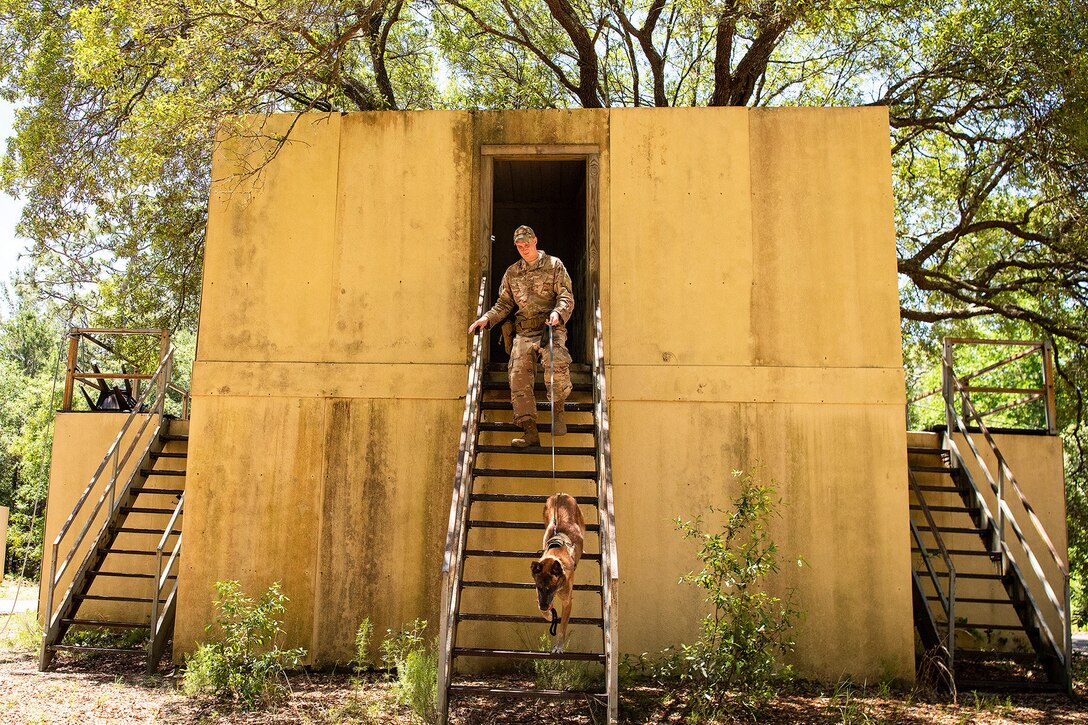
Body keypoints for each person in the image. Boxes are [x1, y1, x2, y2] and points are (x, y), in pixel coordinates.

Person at [468, 225, 574, 447]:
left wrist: (557, 313)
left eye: (526, 244)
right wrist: (487, 319)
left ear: (535, 240)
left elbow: (565, 296)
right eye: (519, 246)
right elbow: (504, 304)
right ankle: (530, 432)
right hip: (524, 331)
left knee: (555, 361)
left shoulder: (554, 265)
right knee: (517, 376)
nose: (523, 248)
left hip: (549, 328)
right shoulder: (512, 272)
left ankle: (559, 412)